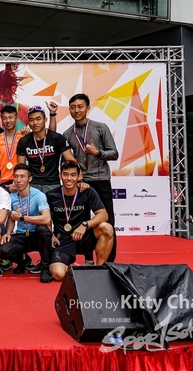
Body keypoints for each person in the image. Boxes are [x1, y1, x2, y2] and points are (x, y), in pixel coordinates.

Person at [48, 94, 119, 264]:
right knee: (82, 219)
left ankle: (109, 262)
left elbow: (114, 153)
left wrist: (97, 153)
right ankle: (88, 258)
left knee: (107, 219)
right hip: (80, 182)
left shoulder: (101, 128)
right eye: (73, 107)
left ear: (88, 108)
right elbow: (66, 160)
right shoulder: (67, 134)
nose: (76, 110)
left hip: (100, 179)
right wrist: (77, 179)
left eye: (80, 107)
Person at [45, 161, 115, 281]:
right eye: (65, 174)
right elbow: (46, 218)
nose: (69, 178)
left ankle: (99, 269)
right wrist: (50, 235)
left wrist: (85, 225)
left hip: (85, 236)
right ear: (60, 175)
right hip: (63, 239)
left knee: (107, 228)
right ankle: (72, 267)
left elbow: (103, 215)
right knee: (58, 274)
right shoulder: (51, 195)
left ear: (79, 176)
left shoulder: (87, 191)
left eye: (73, 175)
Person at [0, 164, 53, 282]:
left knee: (43, 229)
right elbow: (12, 217)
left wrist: (22, 218)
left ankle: (45, 268)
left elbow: (47, 219)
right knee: (2, 250)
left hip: (36, 236)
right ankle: (24, 261)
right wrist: (8, 232)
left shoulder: (39, 195)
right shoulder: (12, 197)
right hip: (22, 235)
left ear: (29, 179)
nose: (18, 180)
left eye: (22, 176)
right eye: (16, 176)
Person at [17, 105, 76, 193]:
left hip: (53, 183)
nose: (35, 123)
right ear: (28, 122)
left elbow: (72, 161)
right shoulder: (24, 141)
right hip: (33, 184)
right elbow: (21, 167)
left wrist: (80, 180)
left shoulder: (57, 138)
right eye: (31, 120)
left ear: (45, 120)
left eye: (38, 119)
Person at [0, 105, 24, 192]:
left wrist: (17, 181)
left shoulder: (23, 138)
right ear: (1, 120)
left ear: (16, 118)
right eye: (5, 118)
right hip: (1, 183)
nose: (8, 121)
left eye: (11, 117)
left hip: (20, 182)